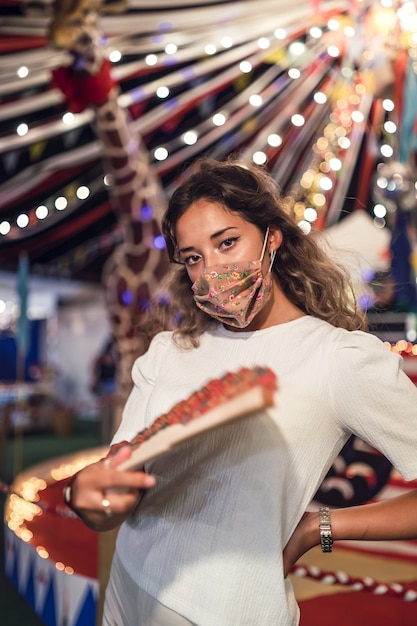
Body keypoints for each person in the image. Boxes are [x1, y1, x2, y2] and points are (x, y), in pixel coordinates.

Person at [64, 158, 417, 626]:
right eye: (193, 257)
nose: (212, 271)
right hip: (127, 592)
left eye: (227, 243)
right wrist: (87, 494)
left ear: (272, 238)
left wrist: (321, 527)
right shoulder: (169, 351)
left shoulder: (338, 357)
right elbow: (117, 500)